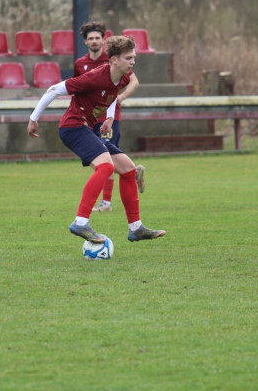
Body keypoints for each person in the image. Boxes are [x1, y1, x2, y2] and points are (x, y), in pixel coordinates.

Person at [28, 34, 165, 244]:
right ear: (114, 60)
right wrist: (33, 119)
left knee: (128, 170)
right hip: (73, 127)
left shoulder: (124, 77)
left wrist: (109, 117)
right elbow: (52, 90)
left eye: (133, 57)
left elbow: (112, 94)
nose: (133, 62)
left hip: (90, 128)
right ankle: (81, 222)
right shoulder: (93, 77)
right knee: (106, 167)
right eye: (128, 58)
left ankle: (135, 228)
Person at [74, 20, 145, 212]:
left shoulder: (114, 60)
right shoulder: (80, 64)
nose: (95, 41)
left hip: (109, 118)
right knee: (98, 160)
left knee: (105, 158)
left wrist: (120, 97)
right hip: (89, 120)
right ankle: (131, 170)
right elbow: (77, 90)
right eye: (91, 38)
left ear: (103, 40)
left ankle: (106, 202)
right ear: (85, 42)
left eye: (98, 38)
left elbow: (134, 82)